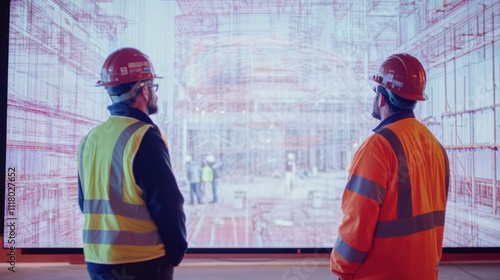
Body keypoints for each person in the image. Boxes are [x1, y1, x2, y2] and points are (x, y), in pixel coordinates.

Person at [330, 53, 449, 280]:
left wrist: (341, 268)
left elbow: (358, 222)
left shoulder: (378, 148)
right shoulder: (435, 147)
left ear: (383, 98)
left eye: (376, 91)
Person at [77, 47, 187, 280]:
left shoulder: (91, 138)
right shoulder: (143, 135)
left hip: (98, 261)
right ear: (143, 90)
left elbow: (84, 201)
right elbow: (167, 202)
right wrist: (176, 251)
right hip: (141, 262)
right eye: (152, 86)